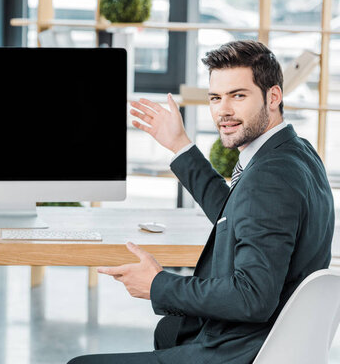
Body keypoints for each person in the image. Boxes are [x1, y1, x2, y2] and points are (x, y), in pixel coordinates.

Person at [68, 40, 334, 363]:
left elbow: (253, 297)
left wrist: (158, 285)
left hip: (241, 351)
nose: (223, 111)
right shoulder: (297, 153)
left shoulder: (269, 178)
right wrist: (180, 146)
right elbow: (238, 210)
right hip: (270, 338)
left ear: (273, 96)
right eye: (215, 98)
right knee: (169, 330)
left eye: (238, 95)